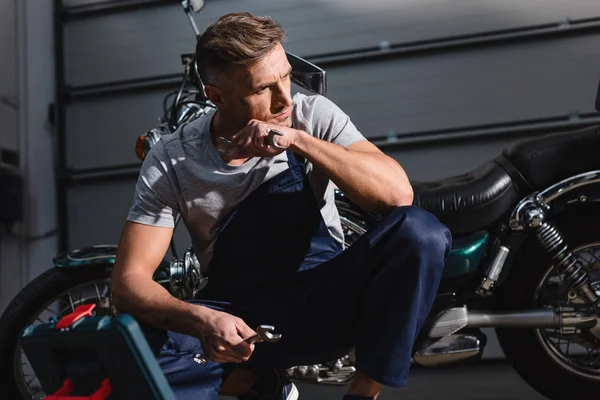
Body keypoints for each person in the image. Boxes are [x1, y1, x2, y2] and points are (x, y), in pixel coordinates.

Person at [112, 11, 451, 400]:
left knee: (419, 232)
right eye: (263, 88)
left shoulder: (310, 115)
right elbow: (129, 284)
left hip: (323, 301)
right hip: (238, 315)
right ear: (216, 97)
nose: (285, 98)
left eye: (286, 76)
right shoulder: (172, 159)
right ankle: (261, 383)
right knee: (133, 364)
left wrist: (297, 140)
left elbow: (397, 195)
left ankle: (362, 394)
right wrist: (202, 319)